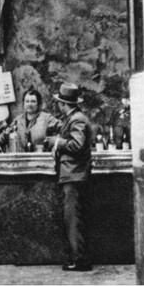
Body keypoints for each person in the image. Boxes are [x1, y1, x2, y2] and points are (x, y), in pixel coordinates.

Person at [51, 82, 94, 272]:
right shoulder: (75, 118)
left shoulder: (77, 119)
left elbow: (77, 145)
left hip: (74, 176)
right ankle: (78, 257)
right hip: (73, 175)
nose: (58, 106)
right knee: (74, 218)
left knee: (73, 219)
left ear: (63, 104)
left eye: (59, 103)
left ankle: (79, 260)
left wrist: (58, 142)